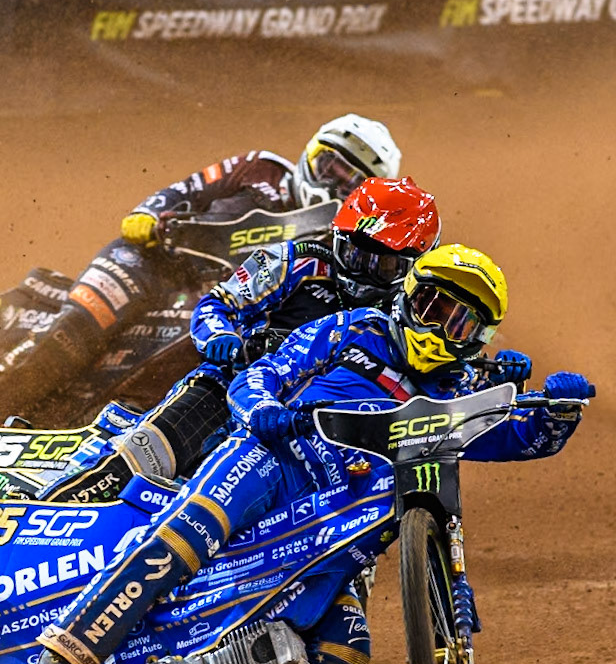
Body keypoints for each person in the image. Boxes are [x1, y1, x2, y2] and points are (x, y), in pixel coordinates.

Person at [16, 244, 595, 664]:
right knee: (183, 540)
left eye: (461, 324)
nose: (442, 330)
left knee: (344, 656)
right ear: (407, 296)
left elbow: (519, 437)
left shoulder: (459, 392)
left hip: (341, 531)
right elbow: (260, 376)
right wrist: (263, 409)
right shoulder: (352, 329)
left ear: (479, 339)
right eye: (432, 308)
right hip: (273, 463)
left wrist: (557, 415)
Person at [0, 114, 402, 456]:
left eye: (348, 178)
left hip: (207, 303)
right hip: (150, 263)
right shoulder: (264, 168)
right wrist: (148, 215)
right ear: (311, 154)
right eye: (329, 163)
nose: (333, 180)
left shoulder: (331, 245)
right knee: (81, 325)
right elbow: (188, 189)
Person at [47, 175, 442, 503]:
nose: (361, 271)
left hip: (315, 433)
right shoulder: (296, 260)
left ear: (415, 265)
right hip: (232, 387)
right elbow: (218, 303)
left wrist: (502, 373)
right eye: (353, 253)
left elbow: (452, 359)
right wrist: (220, 336)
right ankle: (38, 518)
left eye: (382, 263)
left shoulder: (419, 306)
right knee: (141, 457)